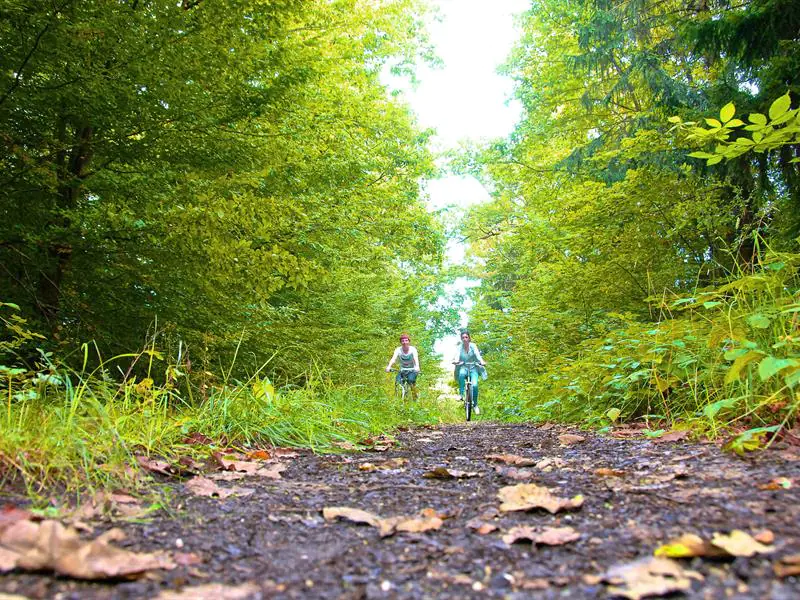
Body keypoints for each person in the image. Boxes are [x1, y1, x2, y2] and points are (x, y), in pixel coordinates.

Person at [452, 330, 486, 415]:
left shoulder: (473, 346)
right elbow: (457, 355)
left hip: (473, 368)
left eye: (466, 337)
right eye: (463, 337)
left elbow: (477, 355)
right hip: (463, 366)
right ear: (461, 339)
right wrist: (456, 361)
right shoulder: (460, 347)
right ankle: (461, 394)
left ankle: (475, 405)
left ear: (469, 338)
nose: (464, 339)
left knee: (475, 385)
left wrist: (481, 361)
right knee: (461, 374)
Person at [385, 332, 420, 399]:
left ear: (409, 341)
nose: (404, 342)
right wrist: (389, 366)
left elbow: (416, 358)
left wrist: (417, 367)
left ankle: (415, 397)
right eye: (403, 341)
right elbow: (393, 359)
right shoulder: (398, 350)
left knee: (410, 381)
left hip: (412, 370)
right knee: (397, 383)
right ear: (401, 342)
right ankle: (397, 398)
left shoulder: (413, 349)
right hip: (402, 370)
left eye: (406, 340)